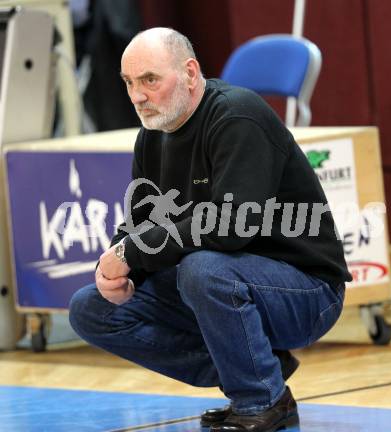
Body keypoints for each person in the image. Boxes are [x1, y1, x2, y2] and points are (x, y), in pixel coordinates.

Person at [69, 27, 352, 432]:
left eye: (150, 80)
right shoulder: (152, 136)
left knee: (204, 269)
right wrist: (120, 263)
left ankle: (262, 400)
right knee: (91, 308)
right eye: (129, 83)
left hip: (307, 290)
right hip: (222, 284)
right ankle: (256, 369)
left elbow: (231, 225)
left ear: (189, 72)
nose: (137, 96)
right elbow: (140, 223)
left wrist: (132, 253)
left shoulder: (238, 116)